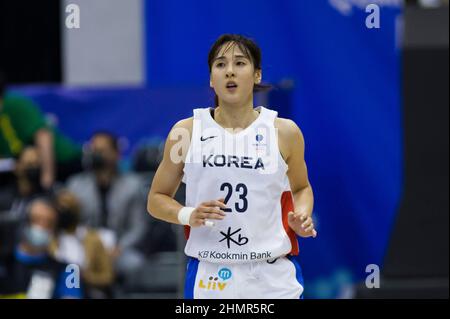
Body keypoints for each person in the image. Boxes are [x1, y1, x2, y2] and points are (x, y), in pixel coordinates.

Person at [147, 34, 317, 299]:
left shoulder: (284, 132)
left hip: (272, 276)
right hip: (212, 275)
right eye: (220, 64)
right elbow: (156, 199)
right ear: (211, 79)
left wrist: (302, 216)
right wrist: (187, 214)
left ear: (257, 75)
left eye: (239, 63)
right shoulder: (186, 132)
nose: (230, 72)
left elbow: (301, 187)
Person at [67, 132, 147, 280]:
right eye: (94, 151)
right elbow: (71, 224)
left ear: (116, 154)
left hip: (118, 249)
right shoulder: (76, 186)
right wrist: (86, 246)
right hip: (83, 247)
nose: (97, 155)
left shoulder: (132, 186)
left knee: (134, 263)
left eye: (102, 151)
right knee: (69, 262)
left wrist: (119, 248)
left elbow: (138, 228)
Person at [0, 70, 82, 187]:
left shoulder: (14, 104)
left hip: (63, 162)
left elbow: (43, 136)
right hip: (30, 171)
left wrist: (47, 177)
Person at [0, 198, 83, 299]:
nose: (42, 227)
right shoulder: (4, 263)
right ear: (24, 223)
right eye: (36, 220)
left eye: (49, 223)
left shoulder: (69, 271)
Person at [50, 189, 114, 298]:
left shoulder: (93, 239)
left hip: (86, 291)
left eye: (69, 207)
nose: (64, 211)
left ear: (77, 210)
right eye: (61, 207)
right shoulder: (49, 238)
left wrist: (86, 277)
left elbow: (107, 276)